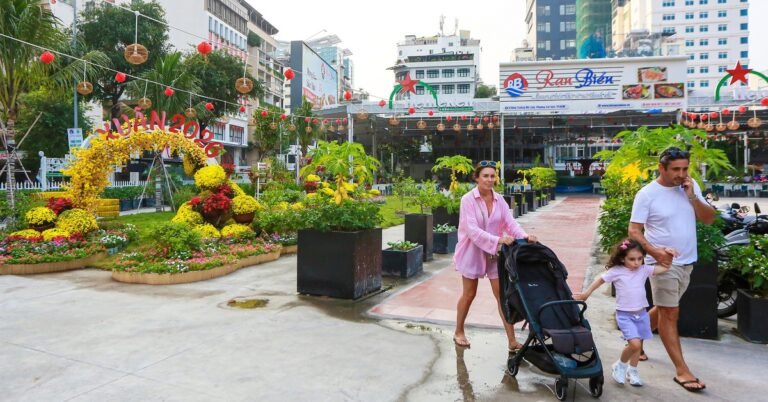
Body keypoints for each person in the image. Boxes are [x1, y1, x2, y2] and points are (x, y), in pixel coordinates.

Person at [628, 147, 715, 392]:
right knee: (670, 314)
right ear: (662, 168)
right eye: (675, 169)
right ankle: (682, 370)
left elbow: (709, 219)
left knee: (665, 308)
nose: (681, 174)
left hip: (688, 262)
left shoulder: (690, 186)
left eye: (685, 168)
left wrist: (693, 197)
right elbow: (634, 231)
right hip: (662, 265)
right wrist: (655, 253)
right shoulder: (647, 195)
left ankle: (635, 339)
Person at [453, 160, 538, 351]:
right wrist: (498, 240)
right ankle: (459, 331)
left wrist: (525, 236)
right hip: (472, 251)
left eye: (492, 176)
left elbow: (511, 224)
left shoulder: (500, 200)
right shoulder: (467, 200)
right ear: (476, 177)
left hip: (495, 255)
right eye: (485, 176)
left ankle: (512, 341)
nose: (490, 180)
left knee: (502, 296)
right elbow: (472, 230)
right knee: (469, 294)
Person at [575, 239, 673, 386]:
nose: (637, 262)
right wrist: (586, 294)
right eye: (632, 259)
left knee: (638, 346)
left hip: (642, 314)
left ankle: (632, 370)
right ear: (622, 258)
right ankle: (620, 365)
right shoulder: (617, 271)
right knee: (634, 345)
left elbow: (664, 267)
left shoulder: (644, 270)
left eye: (640, 259)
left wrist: (668, 255)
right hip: (625, 315)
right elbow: (600, 280)